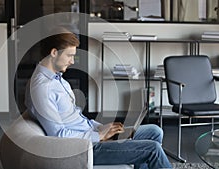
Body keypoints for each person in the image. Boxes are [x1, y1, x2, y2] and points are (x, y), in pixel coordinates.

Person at [24, 27, 172, 169]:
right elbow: (58, 135)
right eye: (69, 56)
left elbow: (76, 118)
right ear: (54, 52)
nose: (72, 61)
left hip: (90, 136)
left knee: (154, 131)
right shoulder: (42, 88)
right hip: (84, 149)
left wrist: (99, 127)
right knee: (152, 149)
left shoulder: (57, 79)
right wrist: (98, 135)